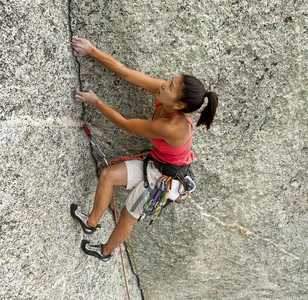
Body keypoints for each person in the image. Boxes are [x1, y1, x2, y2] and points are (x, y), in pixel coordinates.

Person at [70, 36, 218, 261]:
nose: (164, 84)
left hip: (166, 181)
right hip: (156, 163)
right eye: (170, 80)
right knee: (108, 175)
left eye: (170, 86)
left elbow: (125, 124)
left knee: (127, 216)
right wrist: (91, 50)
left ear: (178, 105)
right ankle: (90, 224)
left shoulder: (173, 127)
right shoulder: (166, 96)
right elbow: (126, 72)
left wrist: (97, 102)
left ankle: (105, 252)